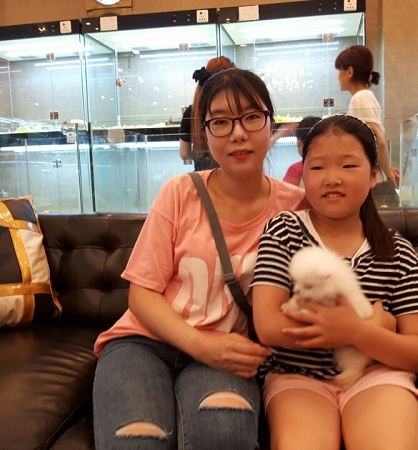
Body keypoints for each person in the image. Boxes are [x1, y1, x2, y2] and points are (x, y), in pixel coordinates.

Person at [92, 68, 306, 449]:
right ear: (204, 133)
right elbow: (141, 294)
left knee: (224, 435)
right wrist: (201, 345)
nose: (237, 133)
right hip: (144, 343)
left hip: (227, 350)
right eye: (220, 122)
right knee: (137, 442)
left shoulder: (297, 206)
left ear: (271, 124)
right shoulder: (179, 192)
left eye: (251, 117)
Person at [251, 114, 418, 449]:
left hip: (377, 374)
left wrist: (357, 332)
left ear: (374, 175)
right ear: (303, 174)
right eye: (318, 167)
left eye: (348, 166)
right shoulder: (284, 231)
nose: (332, 178)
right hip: (297, 377)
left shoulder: (397, 251)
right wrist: (367, 327)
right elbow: (268, 326)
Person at [335, 45, 400, 207]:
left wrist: (388, 174)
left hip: (374, 183)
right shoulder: (366, 96)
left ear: (349, 72)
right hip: (374, 179)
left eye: (340, 70)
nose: (337, 76)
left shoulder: (360, 98)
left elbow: (378, 140)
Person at [179, 56, 236, 171]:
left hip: (203, 176)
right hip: (234, 173)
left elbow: (184, 153)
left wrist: (201, 155)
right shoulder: (237, 110)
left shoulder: (191, 112)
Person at [280, 116, 322, 187]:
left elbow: (283, 191)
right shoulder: (334, 166)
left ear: (298, 142)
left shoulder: (296, 169)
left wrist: (278, 135)